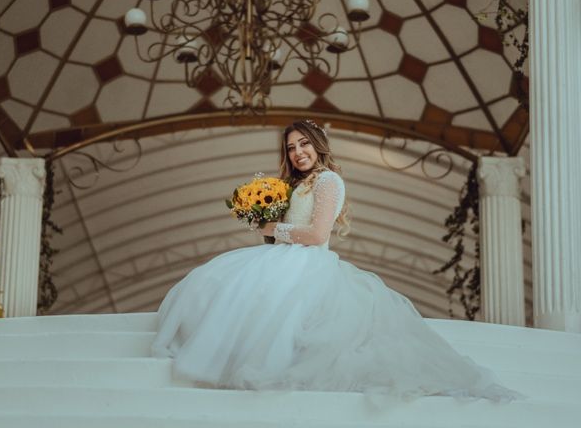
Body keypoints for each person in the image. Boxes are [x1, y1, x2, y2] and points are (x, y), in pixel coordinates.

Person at [151, 119, 522, 402]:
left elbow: (315, 235)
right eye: (292, 147)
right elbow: (286, 228)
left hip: (308, 261)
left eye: (304, 144)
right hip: (282, 257)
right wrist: (261, 220)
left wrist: (273, 227)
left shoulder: (328, 181)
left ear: (318, 145)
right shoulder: (294, 186)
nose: (298, 152)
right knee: (219, 284)